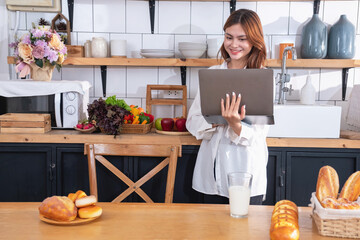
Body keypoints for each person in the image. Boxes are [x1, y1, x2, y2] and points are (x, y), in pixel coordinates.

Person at [186, 9, 269, 205]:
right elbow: (192, 120)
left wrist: (235, 125)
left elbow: (259, 134)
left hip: (246, 172)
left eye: (242, 39)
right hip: (212, 173)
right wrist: (217, 121)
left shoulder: (262, 77)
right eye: (229, 37)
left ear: (254, 41)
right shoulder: (212, 74)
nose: (234, 44)